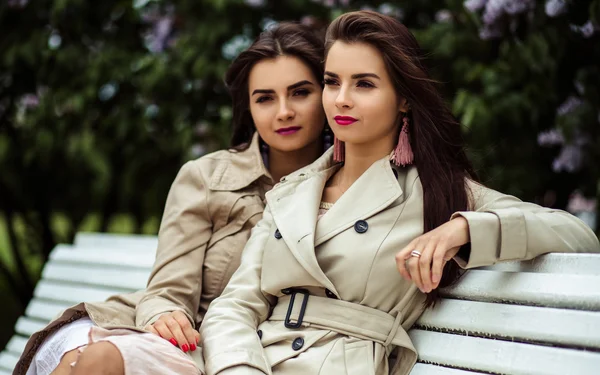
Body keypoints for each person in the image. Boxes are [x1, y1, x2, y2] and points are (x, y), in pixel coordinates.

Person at [199, 10, 600, 375]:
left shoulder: (437, 191)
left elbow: (576, 234)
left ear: (404, 99)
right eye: (332, 82)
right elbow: (234, 305)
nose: (341, 100)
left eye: (364, 84)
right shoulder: (292, 191)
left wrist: (463, 229)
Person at [14, 22, 329, 375]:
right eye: (265, 98)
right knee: (93, 361)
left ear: (327, 93)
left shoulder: (355, 185)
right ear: (249, 107)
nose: (283, 111)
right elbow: (169, 289)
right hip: (189, 339)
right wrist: (166, 314)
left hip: (285, 351)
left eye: (300, 92)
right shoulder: (207, 178)